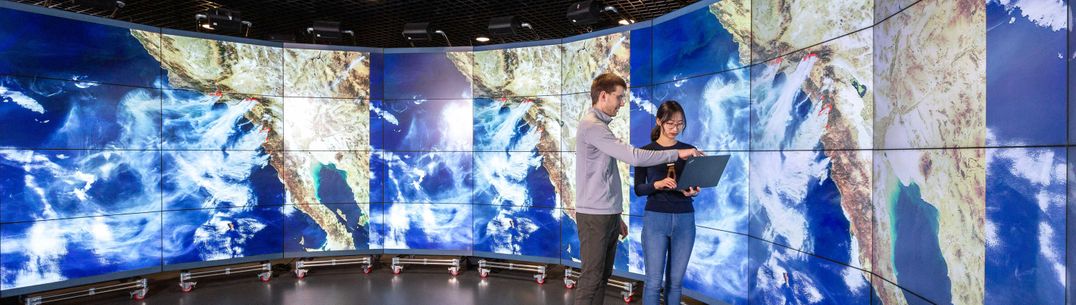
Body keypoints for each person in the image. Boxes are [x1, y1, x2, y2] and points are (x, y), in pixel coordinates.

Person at [574, 73, 703, 305]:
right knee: (592, 278)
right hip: (595, 215)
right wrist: (677, 153)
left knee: (602, 276)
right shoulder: (592, 126)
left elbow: (606, 176)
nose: (622, 103)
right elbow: (633, 157)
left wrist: (616, 215)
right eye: (619, 97)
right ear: (603, 96)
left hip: (606, 213)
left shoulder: (600, 126)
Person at [634, 100, 700, 305]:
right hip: (656, 219)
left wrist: (693, 191)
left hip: (685, 219)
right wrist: (657, 184)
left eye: (679, 124)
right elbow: (638, 189)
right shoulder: (645, 151)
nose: (675, 128)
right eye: (670, 123)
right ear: (659, 122)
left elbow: (694, 183)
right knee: (653, 282)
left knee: (675, 283)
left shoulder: (690, 150)